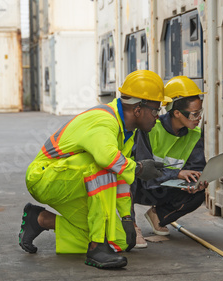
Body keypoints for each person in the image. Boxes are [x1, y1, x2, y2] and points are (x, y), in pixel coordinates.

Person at [18, 70, 172, 269]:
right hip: (45, 178)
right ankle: (97, 247)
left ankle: (40, 220)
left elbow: (121, 175)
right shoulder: (104, 120)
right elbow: (108, 160)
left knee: (121, 241)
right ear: (137, 109)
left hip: (74, 183)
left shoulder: (127, 132)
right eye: (155, 110)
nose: (157, 117)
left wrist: (126, 217)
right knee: (103, 166)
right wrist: (139, 168)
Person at [130, 76, 208, 248]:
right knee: (129, 175)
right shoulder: (151, 128)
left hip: (163, 188)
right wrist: (177, 173)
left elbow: (196, 167)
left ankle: (158, 215)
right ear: (177, 113)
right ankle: (132, 225)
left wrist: (197, 181)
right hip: (141, 186)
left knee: (197, 193)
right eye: (195, 114)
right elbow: (141, 169)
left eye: (200, 113)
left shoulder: (194, 134)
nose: (199, 118)